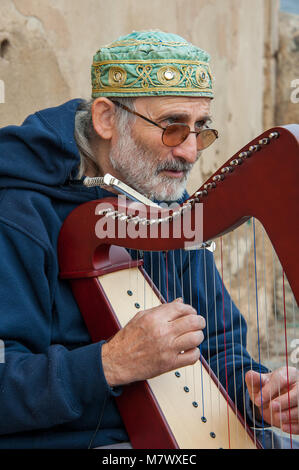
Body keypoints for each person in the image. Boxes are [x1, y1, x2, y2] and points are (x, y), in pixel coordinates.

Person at [0, 30, 297, 450]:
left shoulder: (172, 209)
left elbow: (219, 348)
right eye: (173, 128)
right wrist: (109, 363)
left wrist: (258, 395)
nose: (191, 152)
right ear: (105, 118)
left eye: (201, 130)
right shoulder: (18, 213)